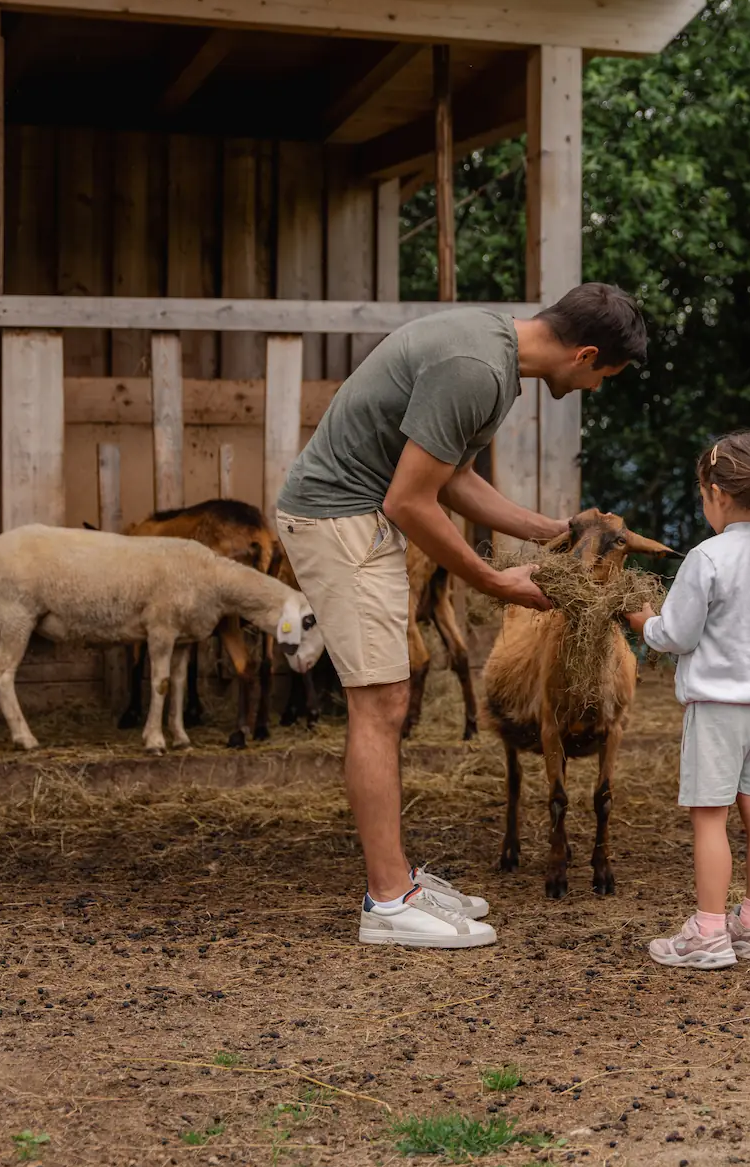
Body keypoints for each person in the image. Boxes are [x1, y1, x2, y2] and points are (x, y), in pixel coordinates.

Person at [276, 284, 647, 951]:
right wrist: (491, 580)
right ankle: (387, 900)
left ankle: (399, 883)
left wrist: (552, 530)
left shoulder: (493, 356)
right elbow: (410, 502)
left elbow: (450, 480)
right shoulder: (477, 371)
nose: (594, 389)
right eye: (601, 377)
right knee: (381, 702)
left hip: (358, 515)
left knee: (385, 699)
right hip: (339, 517)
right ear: (585, 354)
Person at [626, 430, 750, 970]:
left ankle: (709, 934)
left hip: (716, 711)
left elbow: (680, 634)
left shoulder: (707, 557)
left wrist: (646, 624)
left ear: (716, 492)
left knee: (709, 819)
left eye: (701, 495)